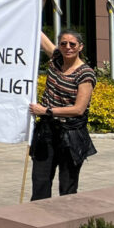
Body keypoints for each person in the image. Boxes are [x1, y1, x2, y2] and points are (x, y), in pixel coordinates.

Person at [28, 28, 97, 200]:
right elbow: (36, 29)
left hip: (71, 135)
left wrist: (46, 111)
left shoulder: (85, 73)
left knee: (67, 186)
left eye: (72, 44)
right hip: (46, 133)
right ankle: (38, 221)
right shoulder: (57, 59)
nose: (68, 47)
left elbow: (78, 109)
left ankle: (65, 224)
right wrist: (38, 2)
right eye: (63, 43)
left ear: (80, 47)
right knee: (40, 181)